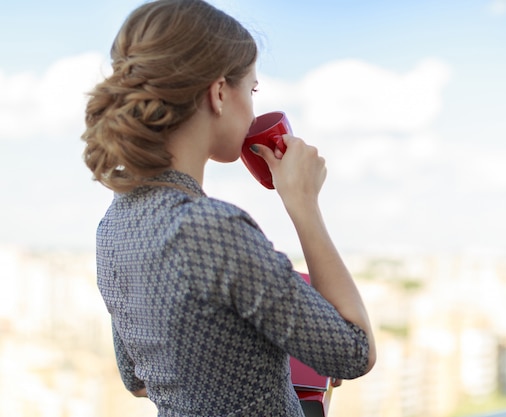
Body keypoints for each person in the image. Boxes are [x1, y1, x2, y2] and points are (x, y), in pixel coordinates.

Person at [81, 0, 376, 415]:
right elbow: (354, 352)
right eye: (251, 90)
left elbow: (139, 377)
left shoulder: (114, 223)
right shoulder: (212, 229)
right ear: (219, 93)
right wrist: (304, 203)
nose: (253, 108)